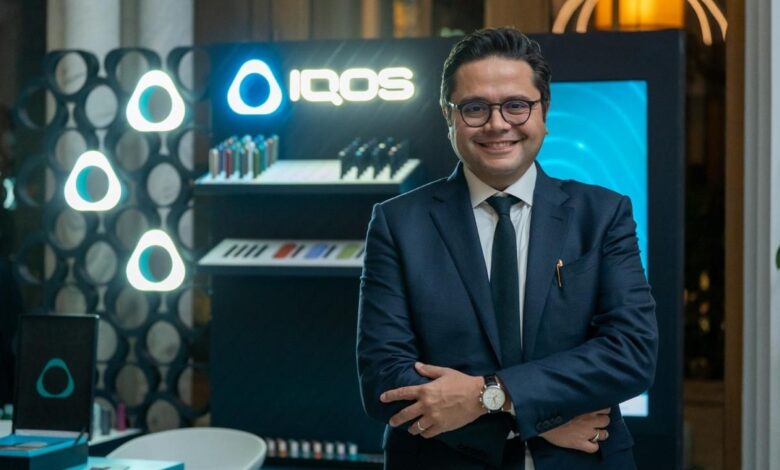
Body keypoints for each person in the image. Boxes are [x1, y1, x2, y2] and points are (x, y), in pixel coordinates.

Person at [356, 27, 657, 469]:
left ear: (544, 111)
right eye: (475, 108)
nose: (497, 124)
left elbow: (631, 354)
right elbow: (385, 380)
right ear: (448, 116)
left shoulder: (603, 215)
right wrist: (531, 418)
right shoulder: (398, 223)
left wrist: (488, 395)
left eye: (516, 105)